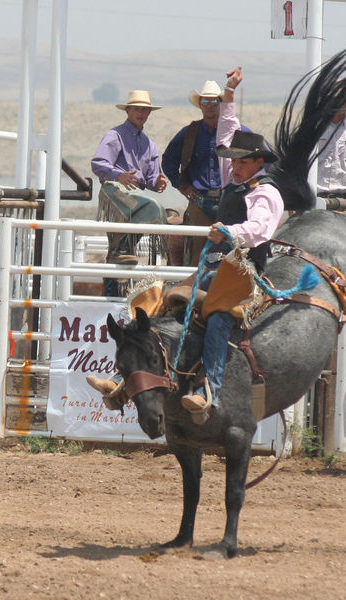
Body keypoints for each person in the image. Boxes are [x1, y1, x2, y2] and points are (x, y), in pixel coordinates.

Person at [179, 66, 284, 422]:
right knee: (174, 298)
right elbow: (225, 133)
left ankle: (210, 389)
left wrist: (228, 233)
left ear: (257, 162)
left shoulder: (265, 192)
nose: (234, 166)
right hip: (222, 269)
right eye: (233, 161)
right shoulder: (238, 180)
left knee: (221, 316)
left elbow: (259, 229)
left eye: (241, 161)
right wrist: (229, 93)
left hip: (249, 274)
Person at [162, 81, 251, 266]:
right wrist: (182, 185)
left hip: (231, 200)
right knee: (197, 253)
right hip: (200, 201)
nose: (209, 106)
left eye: (214, 102)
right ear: (200, 105)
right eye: (205, 102)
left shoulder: (238, 131)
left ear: (221, 104)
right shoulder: (188, 133)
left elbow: (260, 159)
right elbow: (168, 160)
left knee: (235, 252)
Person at [91, 90, 168, 296]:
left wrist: (158, 181)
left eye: (145, 109)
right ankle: (121, 255)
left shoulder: (149, 145)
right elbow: (98, 164)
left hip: (133, 194)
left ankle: (116, 290)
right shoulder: (114, 136)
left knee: (122, 250)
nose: (141, 113)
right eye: (137, 109)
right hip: (114, 192)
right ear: (128, 110)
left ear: (149, 113)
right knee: (151, 208)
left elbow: (150, 178)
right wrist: (119, 175)